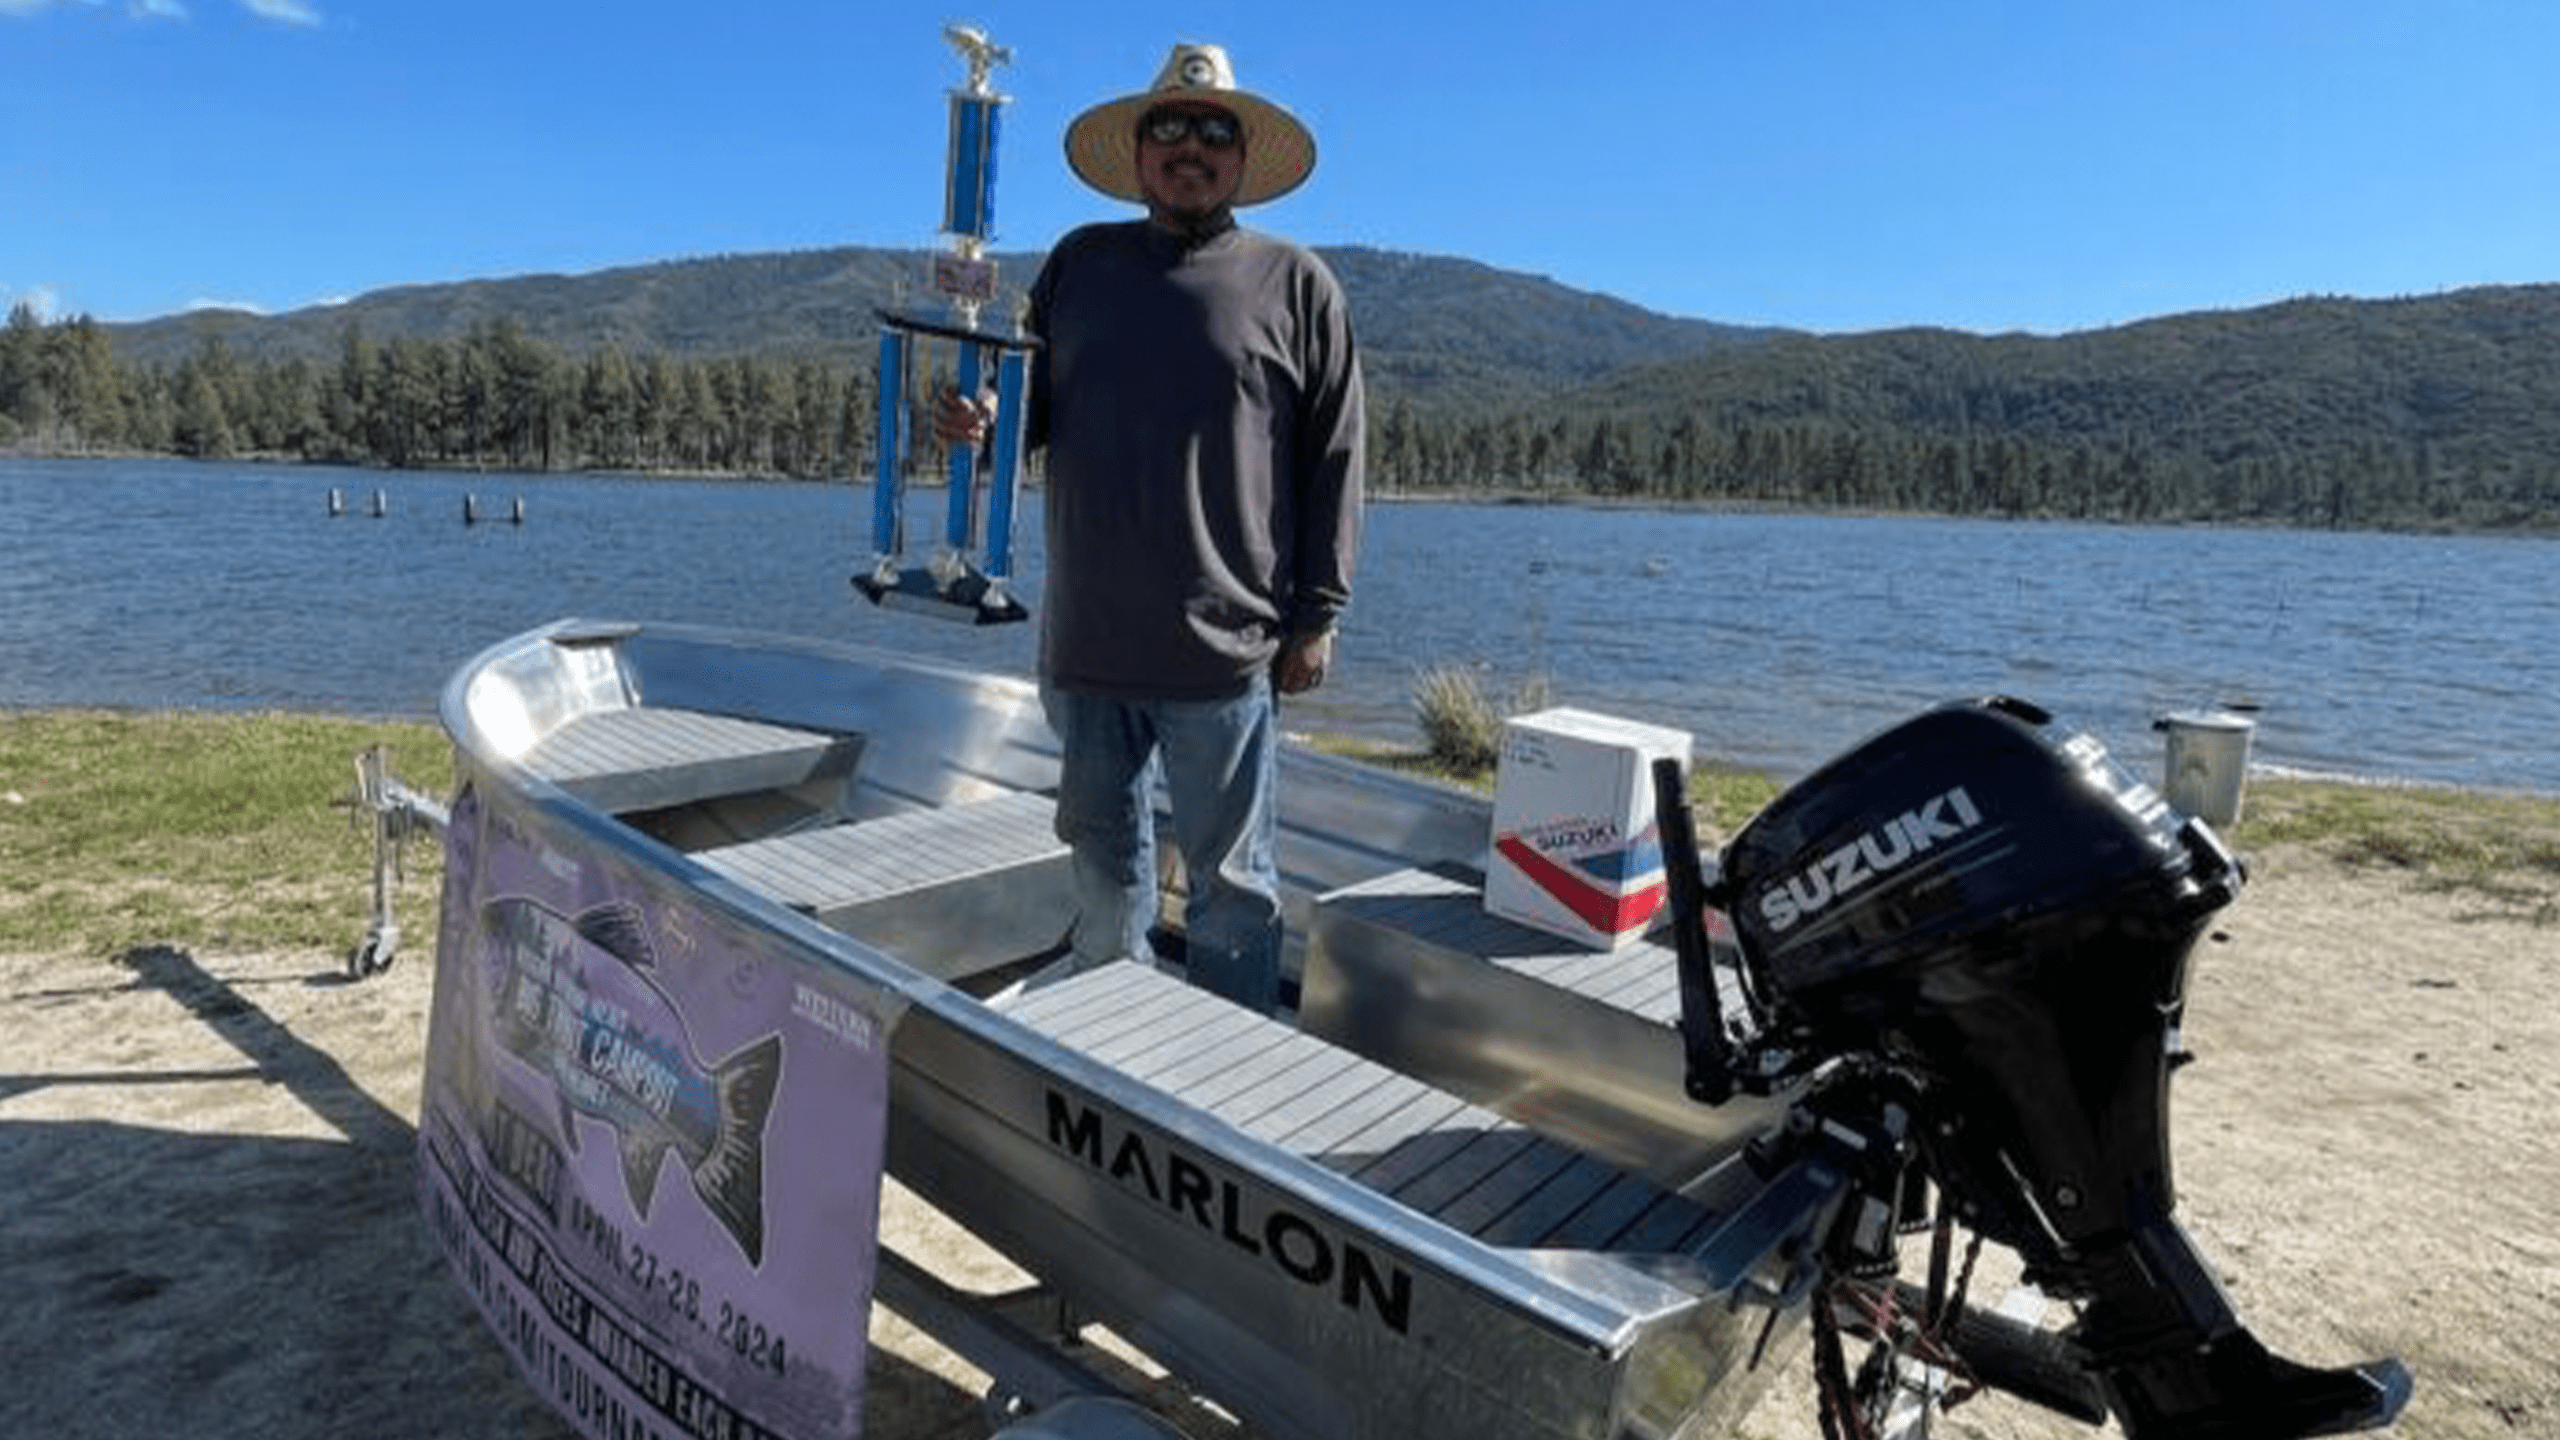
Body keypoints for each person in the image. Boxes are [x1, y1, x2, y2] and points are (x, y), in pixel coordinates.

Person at [935, 41, 1365, 1014]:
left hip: (1227, 653)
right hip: (1087, 648)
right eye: (1167, 127)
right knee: (1104, 876)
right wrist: (983, 424)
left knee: (1235, 893)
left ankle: (1230, 1075)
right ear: (1136, 155)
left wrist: (1318, 614)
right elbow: (1027, 409)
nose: (1189, 147)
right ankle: (1113, 1047)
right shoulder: (1080, 264)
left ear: (1241, 159)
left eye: (1213, 131)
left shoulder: (1297, 285)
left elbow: (1336, 458)